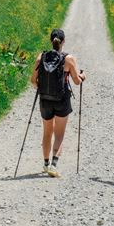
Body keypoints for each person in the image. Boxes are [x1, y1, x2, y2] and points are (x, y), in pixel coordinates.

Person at [31, 28, 85, 177]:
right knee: (59, 133)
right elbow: (76, 81)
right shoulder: (68, 59)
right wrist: (82, 76)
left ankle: (45, 163)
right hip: (62, 99)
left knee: (47, 132)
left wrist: (43, 89)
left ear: (51, 41)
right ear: (63, 42)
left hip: (45, 99)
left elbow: (32, 81)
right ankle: (54, 165)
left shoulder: (41, 57)